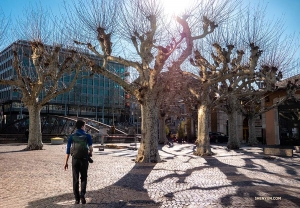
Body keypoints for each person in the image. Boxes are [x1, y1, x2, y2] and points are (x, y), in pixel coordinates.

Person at [64, 120, 93, 204]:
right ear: (82, 126)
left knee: (75, 179)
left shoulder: (72, 136)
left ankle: (77, 198)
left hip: (75, 159)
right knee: (84, 178)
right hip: (84, 159)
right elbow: (91, 148)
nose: (85, 127)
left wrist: (66, 162)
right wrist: (90, 154)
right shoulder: (87, 136)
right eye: (85, 125)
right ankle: (82, 194)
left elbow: (68, 150)